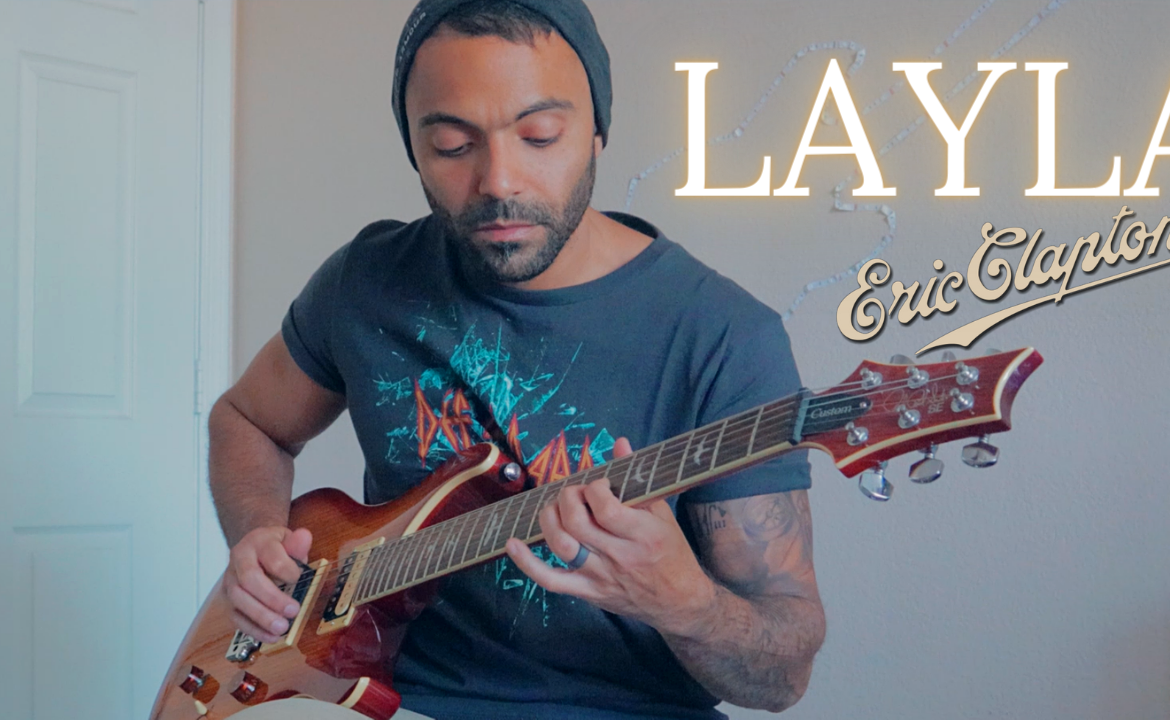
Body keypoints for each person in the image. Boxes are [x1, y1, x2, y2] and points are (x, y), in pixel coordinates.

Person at [209, 1, 826, 718]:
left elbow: (782, 679)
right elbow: (247, 420)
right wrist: (258, 535)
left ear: (597, 132)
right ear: (413, 148)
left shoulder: (724, 336)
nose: (499, 182)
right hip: (383, 697)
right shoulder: (366, 283)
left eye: (540, 136)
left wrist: (684, 602)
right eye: (451, 145)